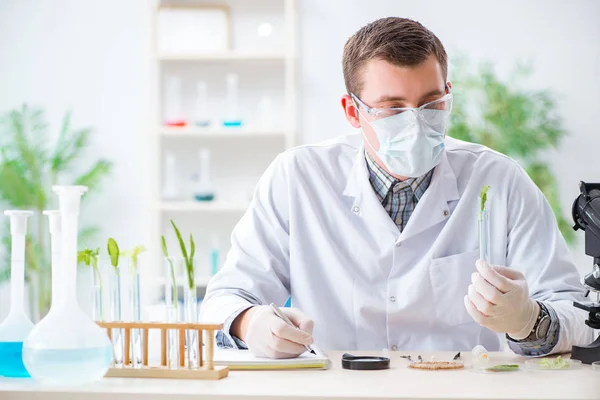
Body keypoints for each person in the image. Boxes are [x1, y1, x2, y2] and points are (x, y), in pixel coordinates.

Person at [199, 17, 591, 359]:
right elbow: (223, 299)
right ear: (353, 111)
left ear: (448, 94)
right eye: (393, 109)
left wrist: (528, 320)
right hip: (335, 390)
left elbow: (581, 317)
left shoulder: (500, 180)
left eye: (431, 103)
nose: (416, 123)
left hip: (461, 391)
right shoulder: (296, 177)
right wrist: (251, 324)